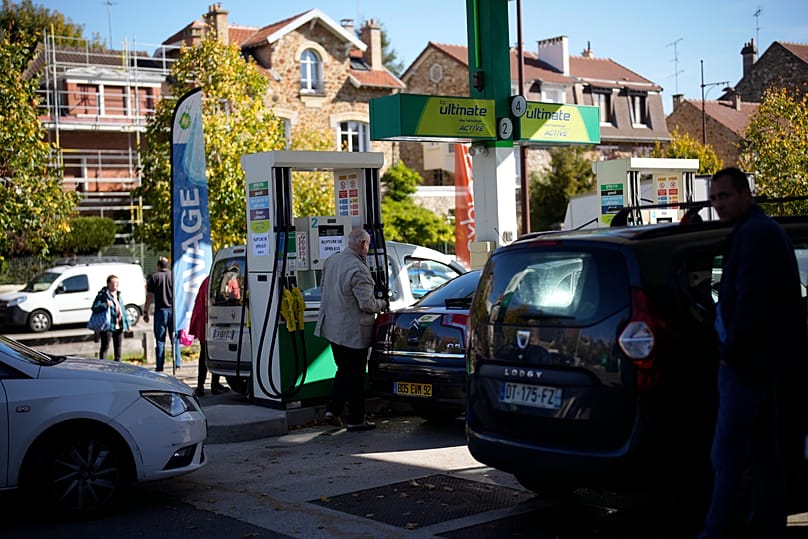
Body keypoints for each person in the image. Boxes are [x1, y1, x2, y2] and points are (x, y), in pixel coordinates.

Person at [700, 167, 807, 538]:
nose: (718, 205)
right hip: (760, 362)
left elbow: (752, 302)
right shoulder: (755, 231)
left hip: (747, 363)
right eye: (713, 198)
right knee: (763, 451)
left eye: (725, 196)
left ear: (746, 193)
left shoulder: (756, 234)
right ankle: (769, 524)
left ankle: (718, 530)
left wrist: (732, 351)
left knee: (728, 454)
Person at [315, 228, 387, 432]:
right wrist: (381, 303)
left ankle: (333, 410)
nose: (369, 248)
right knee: (355, 375)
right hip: (353, 332)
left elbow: (324, 288)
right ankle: (356, 419)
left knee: (344, 370)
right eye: (368, 244)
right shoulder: (358, 269)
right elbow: (367, 304)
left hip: (332, 328)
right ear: (363, 244)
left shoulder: (332, 261)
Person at [188, 276, 229, 397]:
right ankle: (214, 384)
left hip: (205, 322)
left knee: (204, 354)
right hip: (215, 321)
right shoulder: (222, 279)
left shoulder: (209, 280)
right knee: (216, 352)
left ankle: (201, 386)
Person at [143, 256, 175, 372]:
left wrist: (145, 311)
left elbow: (149, 296)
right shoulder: (173, 276)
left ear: (158, 266)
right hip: (173, 311)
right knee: (174, 337)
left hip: (160, 311)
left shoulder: (154, 277)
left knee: (160, 340)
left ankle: (160, 365)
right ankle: (177, 362)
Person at [91, 274, 130, 362]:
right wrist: (105, 305)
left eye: (117, 283)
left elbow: (123, 310)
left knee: (118, 347)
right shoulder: (102, 295)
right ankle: (103, 364)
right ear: (108, 284)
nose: (116, 285)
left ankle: (118, 365)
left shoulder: (118, 295)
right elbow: (94, 307)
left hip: (118, 325)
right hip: (108, 325)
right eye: (113, 283)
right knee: (105, 346)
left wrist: (127, 324)